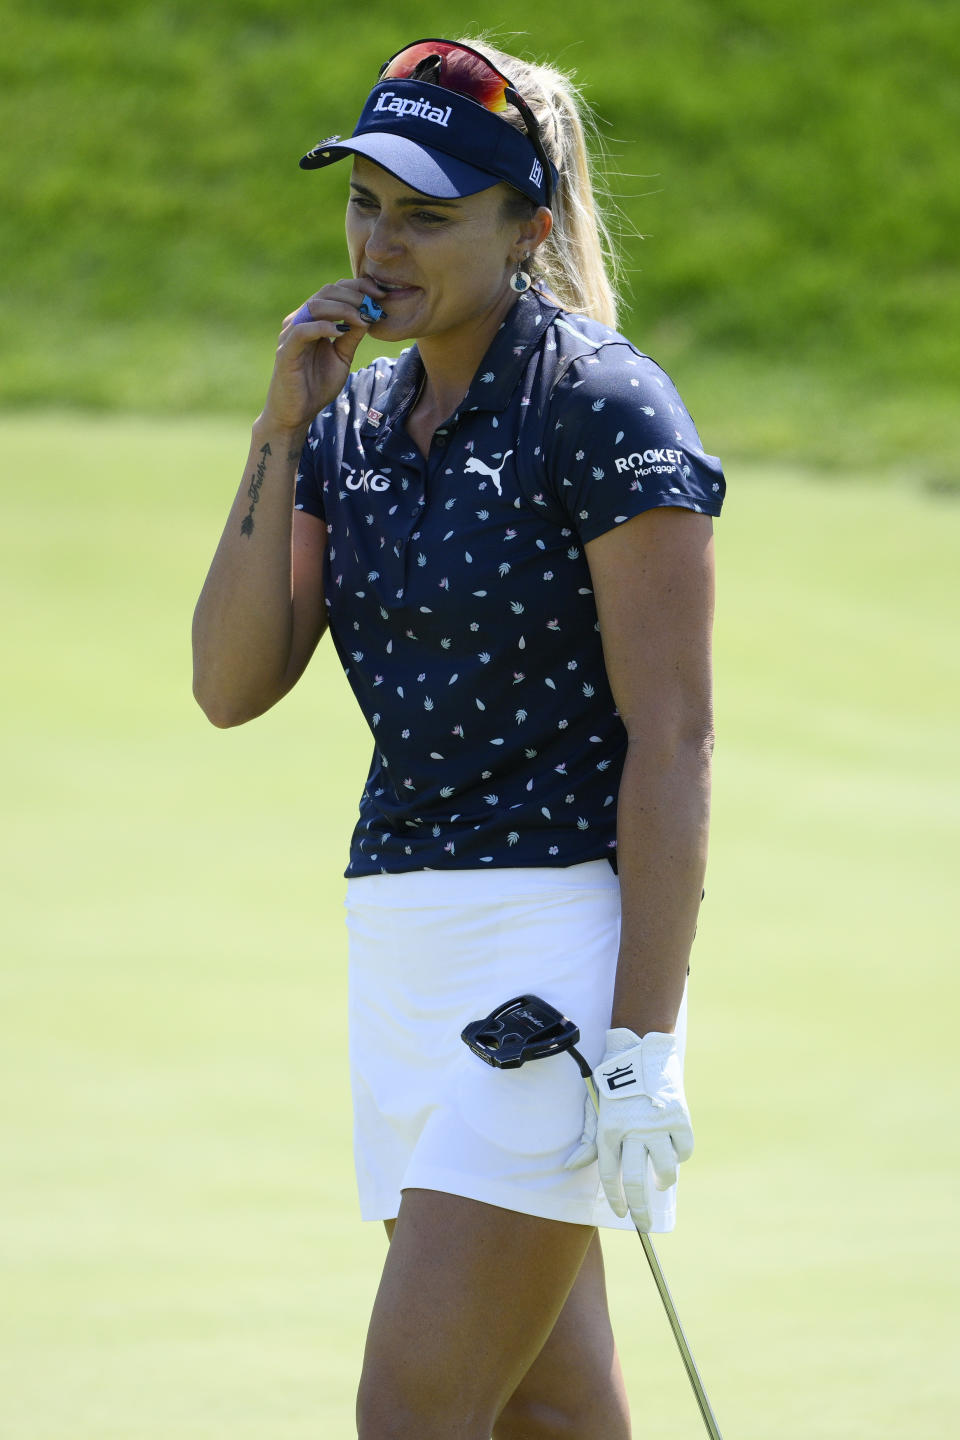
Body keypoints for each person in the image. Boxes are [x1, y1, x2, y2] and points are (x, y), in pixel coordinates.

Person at [192, 35, 725, 1440]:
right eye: (366, 203)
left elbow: (672, 740)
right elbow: (233, 682)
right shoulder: (352, 414)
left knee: (414, 1412)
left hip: (554, 958)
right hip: (402, 955)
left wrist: (641, 1045)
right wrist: (276, 427)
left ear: (527, 227)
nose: (383, 243)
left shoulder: (603, 408)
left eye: (428, 215)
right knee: (546, 1415)